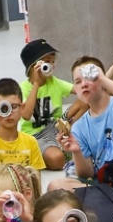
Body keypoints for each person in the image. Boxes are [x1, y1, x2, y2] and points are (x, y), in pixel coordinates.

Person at [49, 54, 113, 199]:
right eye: (78, 82)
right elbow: (87, 174)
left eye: (89, 78)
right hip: (104, 182)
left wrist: (103, 79)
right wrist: (76, 152)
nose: (83, 84)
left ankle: (106, 201)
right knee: (56, 185)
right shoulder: (79, 127)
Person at [18, 38, 73, 171]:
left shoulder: (54, 82)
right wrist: (36, 84)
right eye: (47, 62)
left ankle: (58, 147)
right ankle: (39, 154)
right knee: (57, 160)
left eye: (53, 62)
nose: (51, 66)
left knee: (85, 98)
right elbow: (25, 115)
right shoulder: (22, 88)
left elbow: (81, 91)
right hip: (37, 135)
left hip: (57, 126)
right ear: (33, 66)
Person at [0, 79, 46, 170]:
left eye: (14, 106)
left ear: (22, 108)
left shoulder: (31, 142)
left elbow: (36, 180)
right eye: (4, 108)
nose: (9, 112)